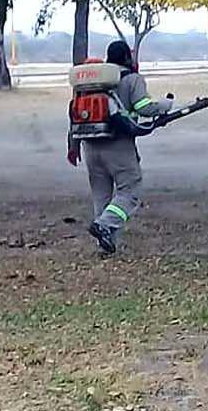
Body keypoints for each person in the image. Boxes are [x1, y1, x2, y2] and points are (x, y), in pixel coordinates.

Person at [67, 40, 170, 254]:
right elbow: (145, 107)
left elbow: (74, 115)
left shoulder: (91, 85)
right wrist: (166, 105)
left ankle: (105, 244)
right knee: (130, 192)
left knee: (101, 195)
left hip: (91, 147)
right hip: (118, 145)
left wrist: (73, 146)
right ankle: (104, 225)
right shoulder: (132, 80)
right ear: (126, 57)